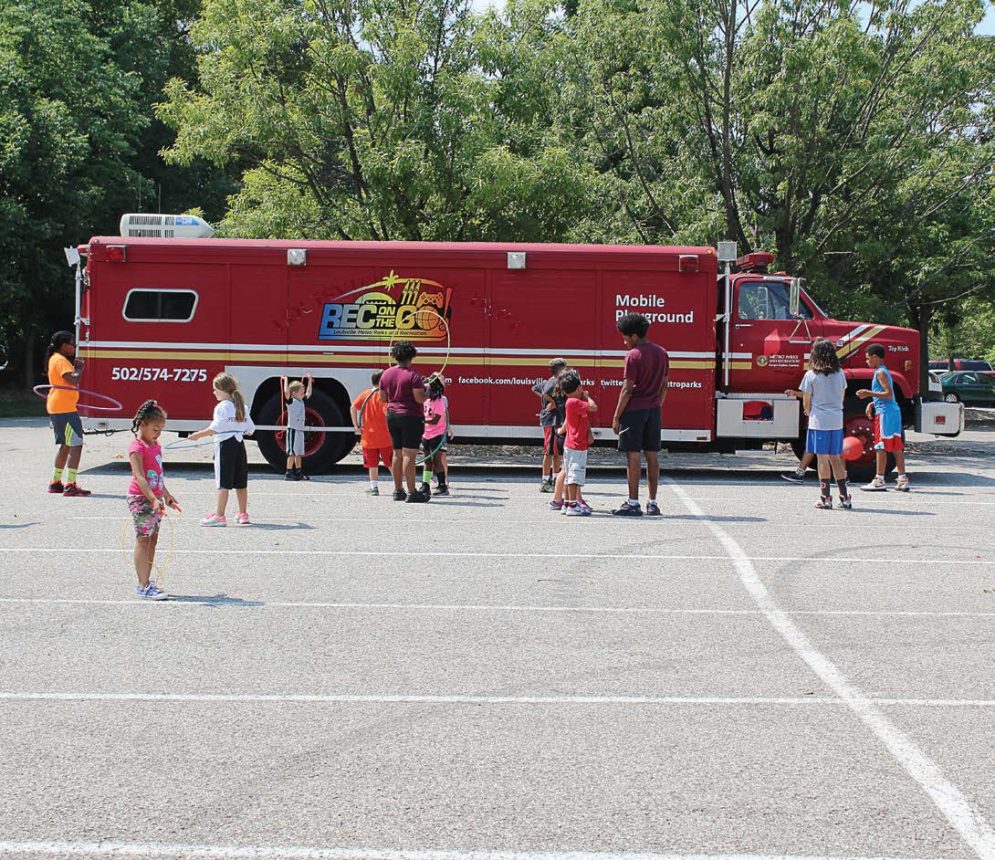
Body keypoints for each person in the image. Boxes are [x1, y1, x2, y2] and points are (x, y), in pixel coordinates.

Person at [610, 313, 669, 517]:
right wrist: (656, 405)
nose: (624, 340)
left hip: (634, 410)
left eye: (625, 336)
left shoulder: (633, 355)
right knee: (652, 455)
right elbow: (665, 386)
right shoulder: (662, 353)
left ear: (634, 336)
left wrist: (617, 416)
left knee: (633, 455)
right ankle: (652, 503)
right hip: (654, 410)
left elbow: (627, 389)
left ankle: (633, 503)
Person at [127, 400, 181, 600]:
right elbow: (140, 476)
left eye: (161, 430)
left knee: (153, 539)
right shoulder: (136, 447)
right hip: (141, 498)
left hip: (155, 498)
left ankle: (147, 580)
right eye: (155, 429)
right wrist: (152, 498)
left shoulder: (155, 445)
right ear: (142, 425)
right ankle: (142, 586)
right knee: (143, 539)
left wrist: (166, 495)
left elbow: (157, 474)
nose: (158, 433)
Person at [188, 372, 256, 525]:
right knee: (240, 481)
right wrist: (237, 428)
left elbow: (216, 428)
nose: (214, 393)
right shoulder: (242, 406)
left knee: (223, 481)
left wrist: (197, 435)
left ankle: (219, 516)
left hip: (225, 445)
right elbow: (251, 428)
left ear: (222, 390)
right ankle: (243, 513)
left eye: (215, 389)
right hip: (239, 444)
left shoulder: (222, 407)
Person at [797, 339, 852, 510]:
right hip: (836, 419)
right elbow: (842, 396)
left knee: (822, 458)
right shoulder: (840, 374)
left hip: (819, 420)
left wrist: (808, 411)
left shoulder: (811, 375)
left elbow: (807, 400)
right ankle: (844, 496)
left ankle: (825, 496)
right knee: (835, 458)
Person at [380, 341, 429, 502]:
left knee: (397, 453)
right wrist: (428, 391)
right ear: (411, 357)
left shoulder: (386, 374)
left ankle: (397, 490)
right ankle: (412, 491)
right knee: (410, 454)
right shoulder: (413, 376)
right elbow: (419, 398)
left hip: (392, 415)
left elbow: (383, 398)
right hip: (410, 416)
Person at [856, 344, 910, 491]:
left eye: (868, 358)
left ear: (875, 356)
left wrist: (869, 393)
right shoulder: (884, 371)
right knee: (896, 446)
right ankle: (902, 479)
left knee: (880, 446)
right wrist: (873, 403)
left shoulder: (880, 373)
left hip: (885, 413)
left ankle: (879, 479)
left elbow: (888, 394)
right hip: (892, 412)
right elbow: (888, 395)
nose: (866, 362)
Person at [45, 330, 90, 496]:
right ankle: (71, 484)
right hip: (64, 409)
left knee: (66, 444)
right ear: (63, 345)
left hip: (59, 406)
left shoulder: (55, 359)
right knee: (76, 444)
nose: (74, 347)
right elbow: (72, 379)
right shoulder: (61, 360)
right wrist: (79, 368)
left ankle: (56, 482)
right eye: (71, 344)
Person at [555, 371, 596, 516]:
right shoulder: (575, 401)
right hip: (576, 445)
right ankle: (573, 504)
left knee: (569, 474)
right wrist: (587, 396)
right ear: (578, 388)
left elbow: (580, 420)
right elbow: (593, 407)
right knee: (574, 476)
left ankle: (567, 503)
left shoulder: (573, 403)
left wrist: (561, 430)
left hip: (573, 443)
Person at [350, 370, 394, 495]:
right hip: (385, 436)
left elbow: (353, 407)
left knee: (372, 464)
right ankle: (398, 485)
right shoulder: (384, 395)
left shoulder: (365, 394)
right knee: (390, 462)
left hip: (369, 436)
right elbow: (388, 412)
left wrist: (356, 425)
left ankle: (373, 487)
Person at [532, 358, 567, 492]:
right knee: (549, 452)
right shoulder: (554, 382)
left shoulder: (556, 381)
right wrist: (551, 402)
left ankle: (555, 480)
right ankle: (545, 481)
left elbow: (535, 388)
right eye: (565, 367)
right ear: (560, 369)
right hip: (551, 420)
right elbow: (545, 392)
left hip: (558, 420)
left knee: (557, 452)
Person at [421, 373, 451, 496]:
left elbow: (435, 420)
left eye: (427, 389)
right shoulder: (426, 401)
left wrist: (422, 420)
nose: (425, 392)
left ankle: (442, 485)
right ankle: (425, 484)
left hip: (437, 435)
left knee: (437, 460)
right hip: (426, 435)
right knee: (427, 461)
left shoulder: (439, 403)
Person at [280, 373, 313, 481]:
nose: (303, 394)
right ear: (294, 393)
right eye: (301, 392)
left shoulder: (301, 401)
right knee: (292, 452)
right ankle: (288, 472)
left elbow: (309, 393)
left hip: (299, 430)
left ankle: (299, 471)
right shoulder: (291, 402)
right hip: (293, 430)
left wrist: (309, 381)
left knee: (298, 452)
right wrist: (286, 380)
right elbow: (286, 393)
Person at [781, 389, 815, 483]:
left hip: (819, 417)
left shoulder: (813, 376)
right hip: (835, 416)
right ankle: (842, 476)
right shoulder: (838, 377)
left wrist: (807, 410)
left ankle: (800, 473)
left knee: (812, 446)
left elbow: (809, 395)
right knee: (834, 449)